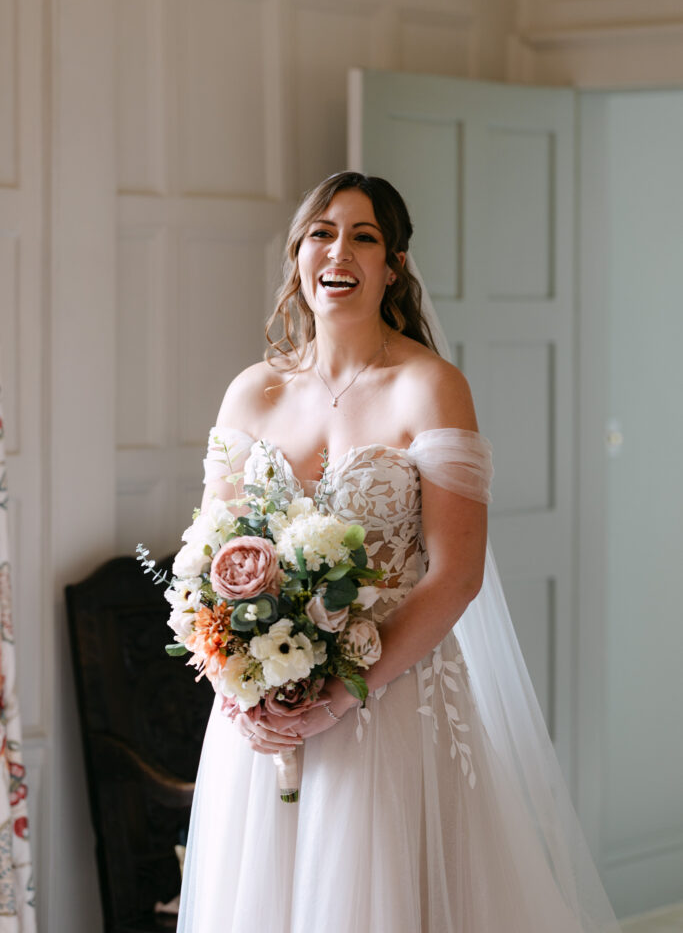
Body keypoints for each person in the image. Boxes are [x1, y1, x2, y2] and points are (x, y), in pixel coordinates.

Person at [177, 172, 620, 932]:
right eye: (321, 232)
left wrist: (339, 696)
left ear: (394, 266)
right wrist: (237, 685)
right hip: (261, 715)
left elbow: (455, 575)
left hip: (388, 704)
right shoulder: (252, 393)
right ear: (297, 255)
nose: (337, 250)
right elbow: (209, 562)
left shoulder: (430, 387)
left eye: (363, 235)